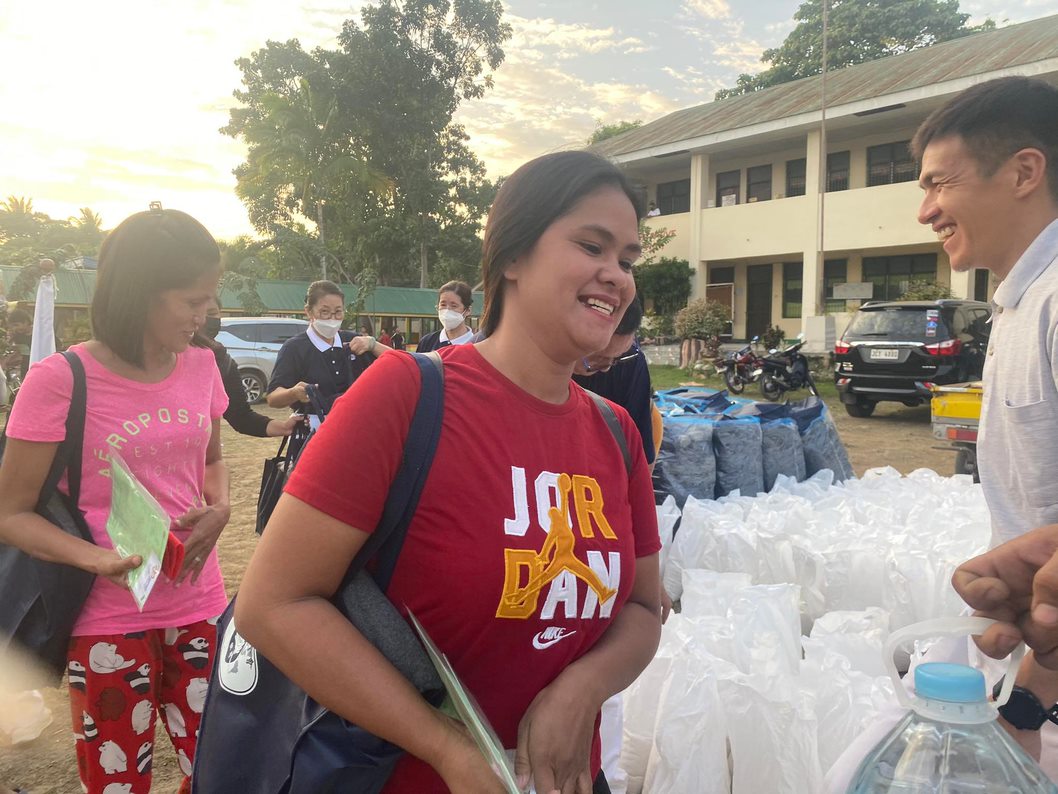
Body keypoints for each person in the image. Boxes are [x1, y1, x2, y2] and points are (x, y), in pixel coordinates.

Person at [234, 150, 662, 794]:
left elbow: (643, 608)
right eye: (591, 246)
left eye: (627, 260)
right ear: (512, 256)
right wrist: (449, 749)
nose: (616, 276)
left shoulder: (615, 434)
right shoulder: (406, 394)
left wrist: (581, 690)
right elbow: (274, 604)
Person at [825, 76, 1058, 789]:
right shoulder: (1016, 306)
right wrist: (1026, 698)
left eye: (938, 184)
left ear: (1024, 171)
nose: (925, 210)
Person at [0, 208, 231, 793]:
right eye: (192, 301)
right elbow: (10, 514)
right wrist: (95, 559)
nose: (207, 315)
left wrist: (220, 507)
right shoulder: (60, 379)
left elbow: (211, 461)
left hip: (199, 603)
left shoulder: (203, 365)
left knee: (223, 766)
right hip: (107, 619)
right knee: (118, 779)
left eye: (210, 298)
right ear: (139, 295)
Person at [265, 280, 388, 418]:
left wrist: (373, 344)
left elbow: (402, 363)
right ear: (309, 312)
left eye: (338, 312)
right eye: (325, 312)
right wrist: (293, 393)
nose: (332, 318)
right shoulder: (294, 348)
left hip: (356, 424)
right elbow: (273, 397)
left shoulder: (355, 341)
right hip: (315, 430)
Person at [194, 297, 302, 438]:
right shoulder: (165, 357)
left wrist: (284, 427)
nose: (205, 320)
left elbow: (241, 416)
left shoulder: (223, 363)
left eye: (212, 313)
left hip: (201, 455)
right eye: (198, 313)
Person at [572, 295, 654, 466]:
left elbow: (642, 458)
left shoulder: (630, 361)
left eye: (617, 357)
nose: (607, 367)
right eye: (598, 359)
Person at [415, 280, 475, 353]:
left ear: (468, 310)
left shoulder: (477, 344)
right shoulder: (427, 342)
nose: (447, 310)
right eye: (443, 305)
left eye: (454, 306)